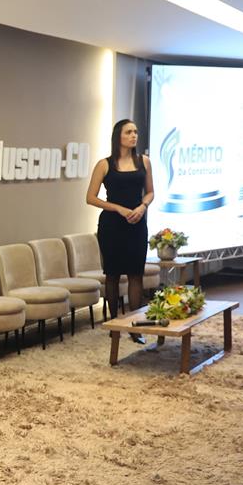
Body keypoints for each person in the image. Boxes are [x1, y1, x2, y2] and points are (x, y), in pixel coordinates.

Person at [86, 119, 155, 332]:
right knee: (113, 274)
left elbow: (150, 192)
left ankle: (135, 326)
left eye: (135, 132)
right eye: (129, 132)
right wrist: (118, 208)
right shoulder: (104, 164)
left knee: (136, 274)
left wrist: (142, 206)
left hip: (137, 223)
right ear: (118, 136)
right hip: (112, 226)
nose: (134, 135)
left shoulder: (144, 162)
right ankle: (115, 324)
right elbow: (90, 197)